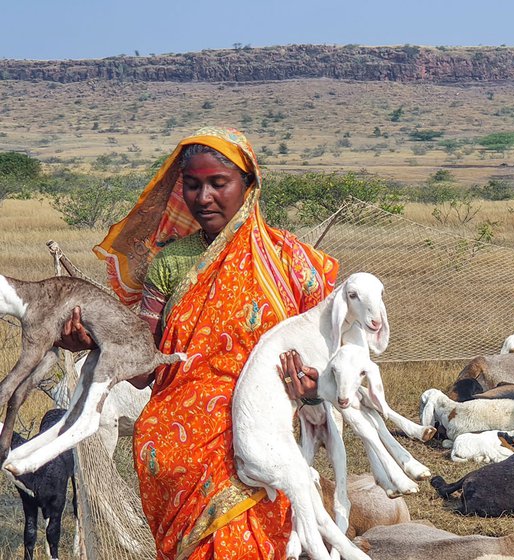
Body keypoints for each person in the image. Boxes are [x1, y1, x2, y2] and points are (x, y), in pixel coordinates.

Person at [57, 127, 338, 559]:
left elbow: (336, 363)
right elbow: (143, 369)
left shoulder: (293, 264)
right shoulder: (169, 264)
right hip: (174, 452)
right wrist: (94, 342)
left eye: (217, 183)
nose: (203, 197)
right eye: (192, 185)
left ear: (248, 184)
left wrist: (316, 387)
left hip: (261, 441)